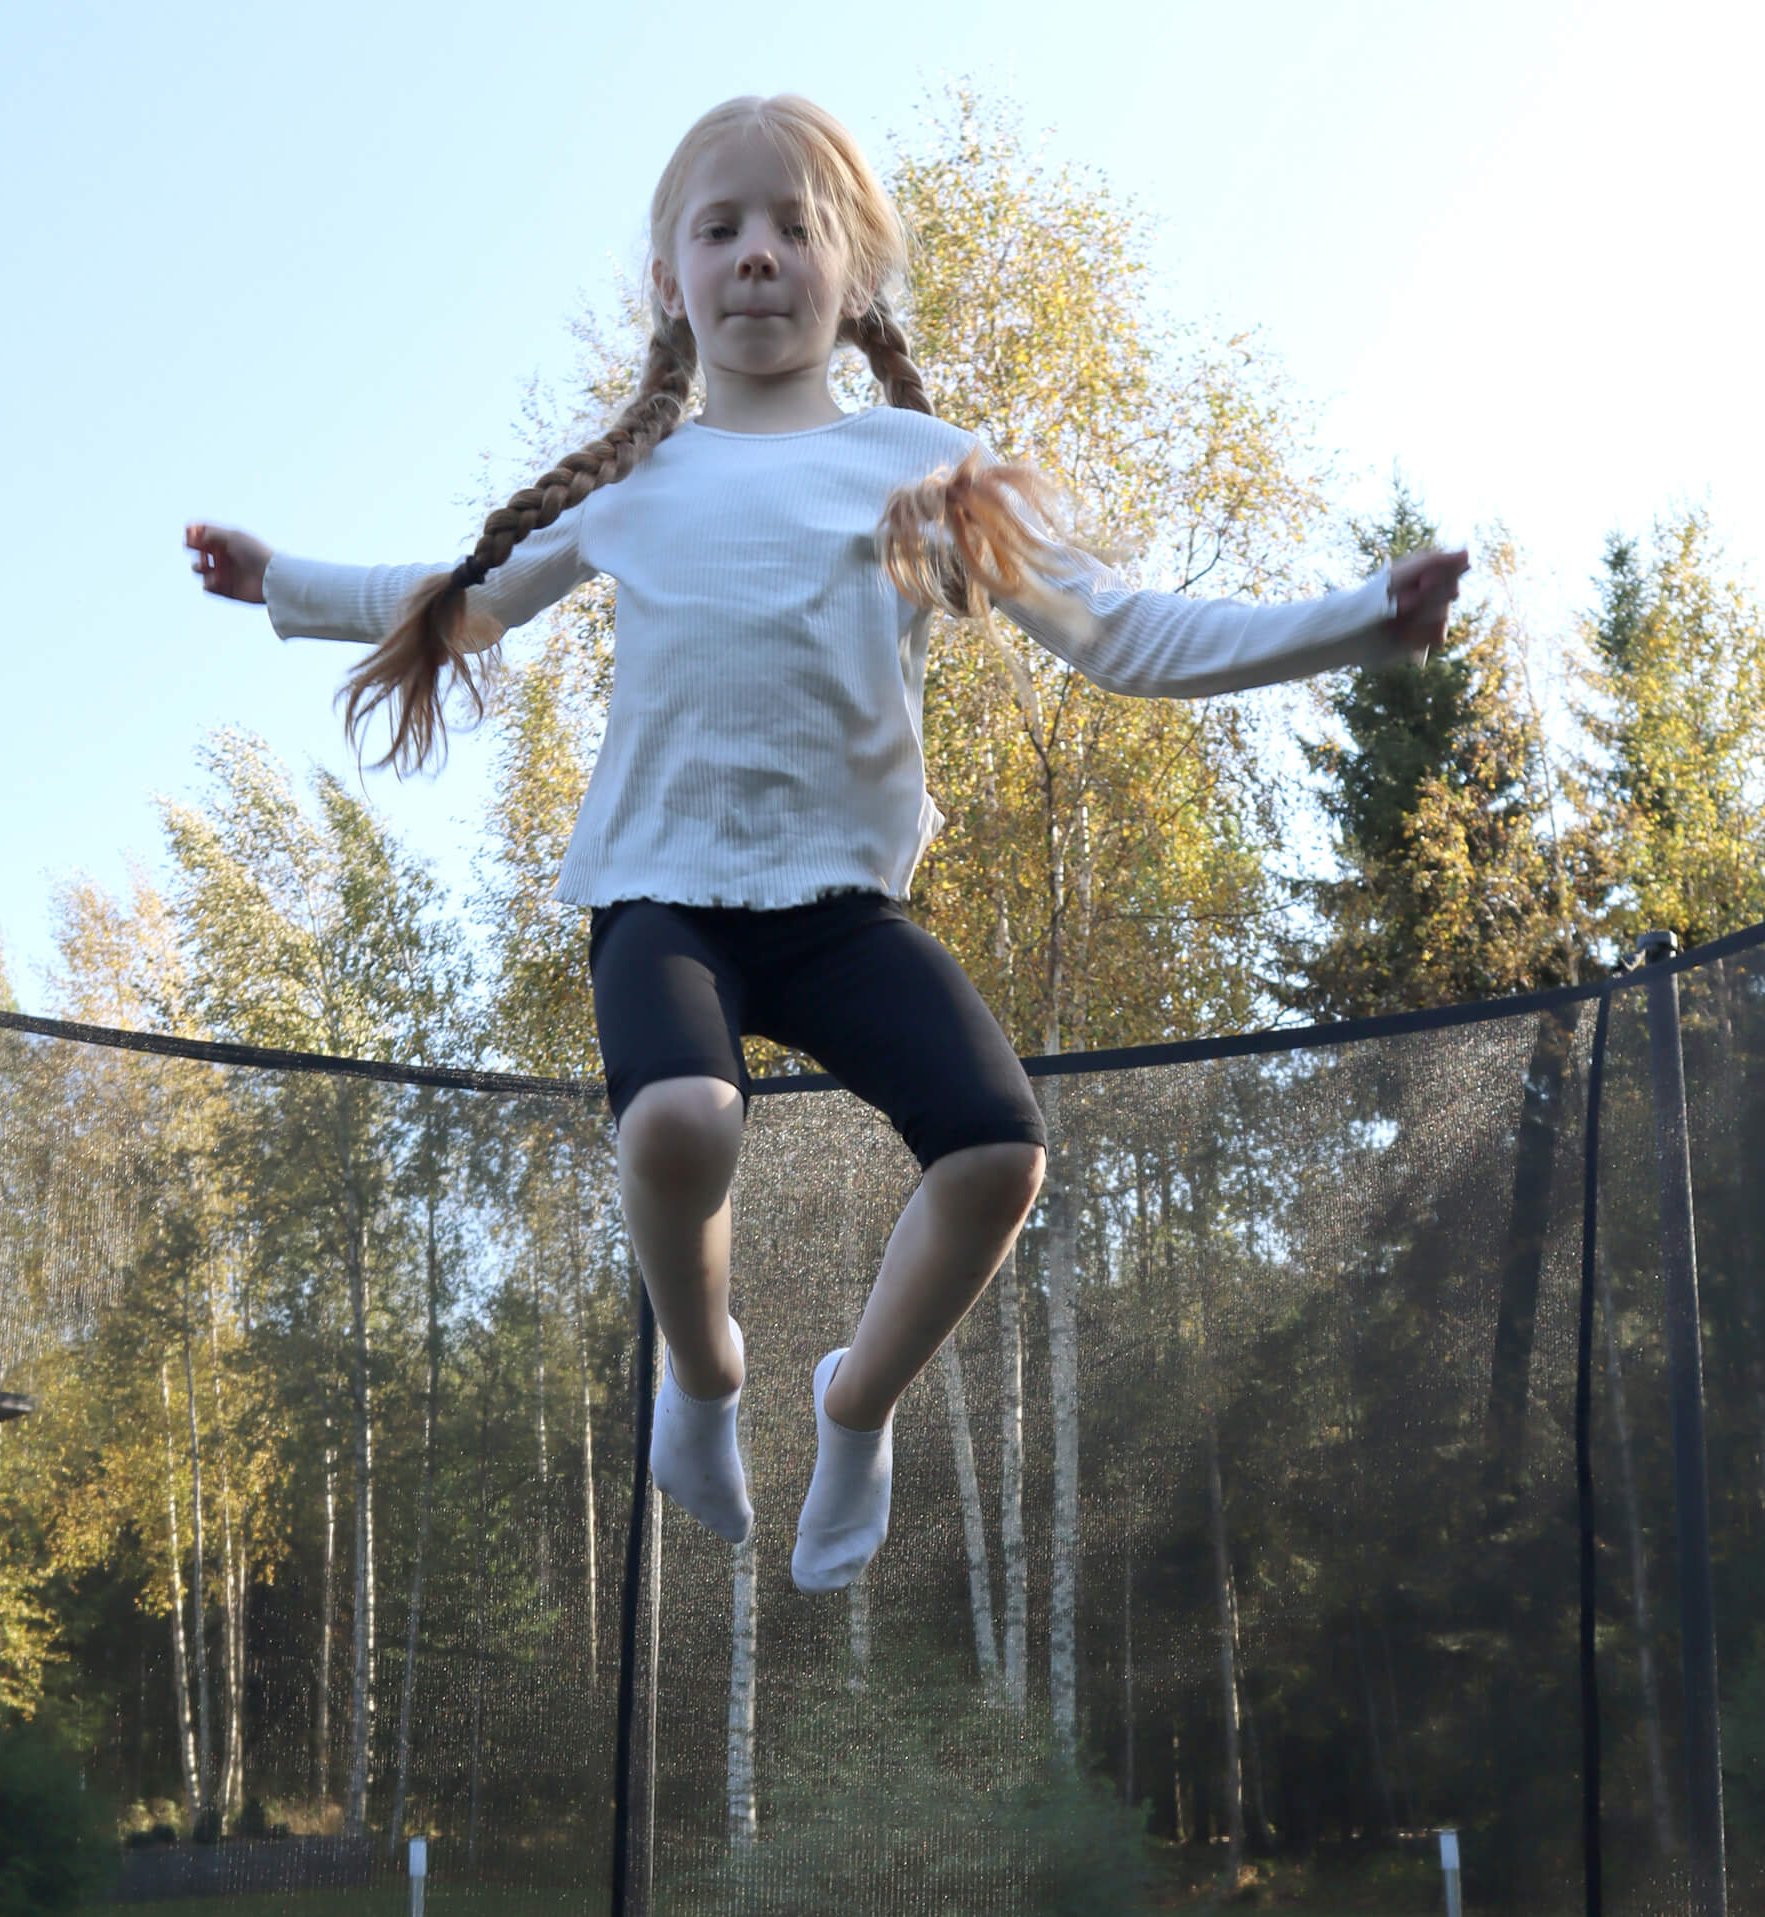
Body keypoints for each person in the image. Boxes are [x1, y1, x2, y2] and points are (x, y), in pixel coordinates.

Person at [186, 93, 1466, 1595]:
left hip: (842, 910)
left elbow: (1119, 631)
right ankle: (706, 1371)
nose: (758, 254)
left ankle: (854, 1404)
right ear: (669, 280)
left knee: (998, 1156)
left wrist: (1357, 625)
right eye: (721, 228)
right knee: (681, 1123)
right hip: (663, 896)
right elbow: (458, 602)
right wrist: (287, 583)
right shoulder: (634, 486)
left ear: (851, 275)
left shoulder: (922, 466)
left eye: (795, 228)